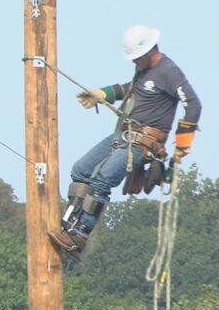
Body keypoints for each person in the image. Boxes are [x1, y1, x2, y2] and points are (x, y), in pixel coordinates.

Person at [48, 24, 201, 260]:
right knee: (81, 170)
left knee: (102, 181)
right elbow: (132, 90)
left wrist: (181, 146)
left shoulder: (169, 72)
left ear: (150, 52)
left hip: (143, 143)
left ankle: (79, 236)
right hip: (123, 134)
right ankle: (69, 223)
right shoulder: (145, 71)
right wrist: (101, 94)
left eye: (137, 58)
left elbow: (193, 105)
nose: (133, 62)